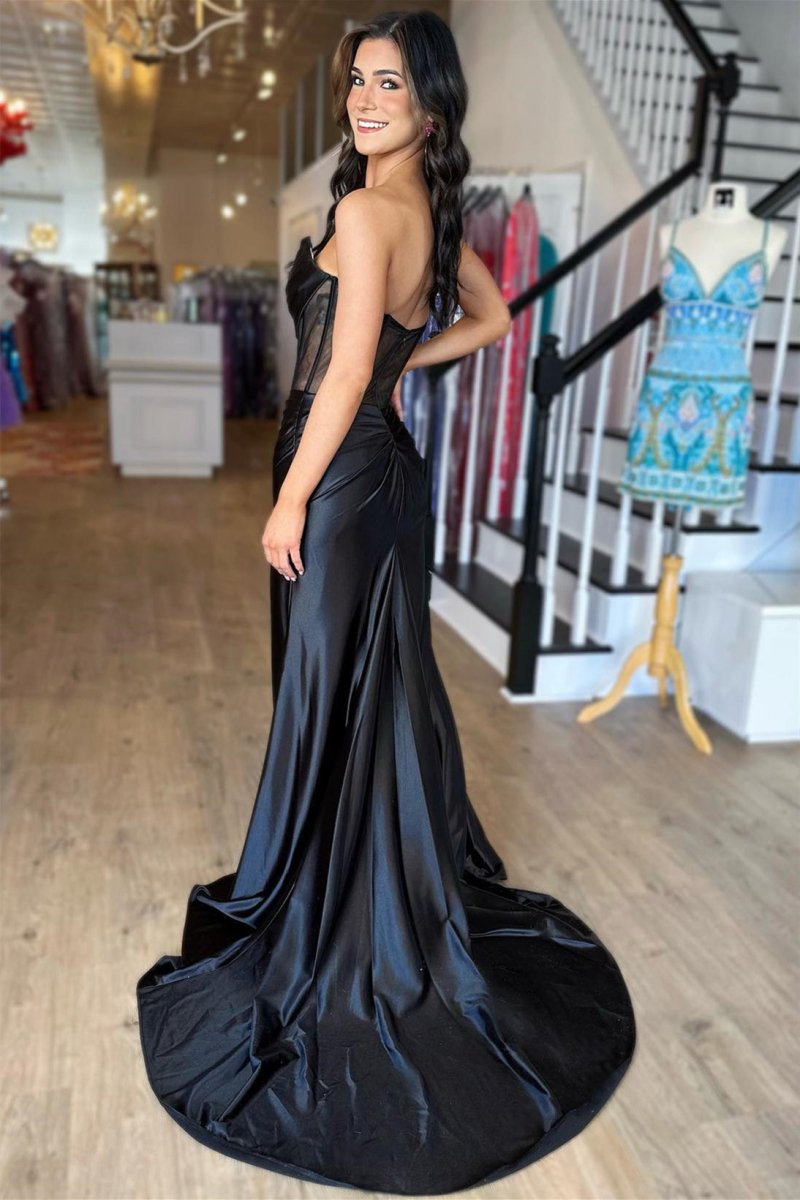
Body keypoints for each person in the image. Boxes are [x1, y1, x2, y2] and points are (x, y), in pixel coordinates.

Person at [136, 11, 636, 1195]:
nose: (363, 99)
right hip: (381, 480)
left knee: (329, 695)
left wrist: (288, 498)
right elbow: (487, 321)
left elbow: (347, 368)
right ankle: (359, 885)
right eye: (356, 80)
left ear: (430, 106)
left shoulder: (368, 214)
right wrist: (396, 374)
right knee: (369, 693)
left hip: (338, 483)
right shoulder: (426, 212)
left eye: (388, 84)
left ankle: (329, 922)